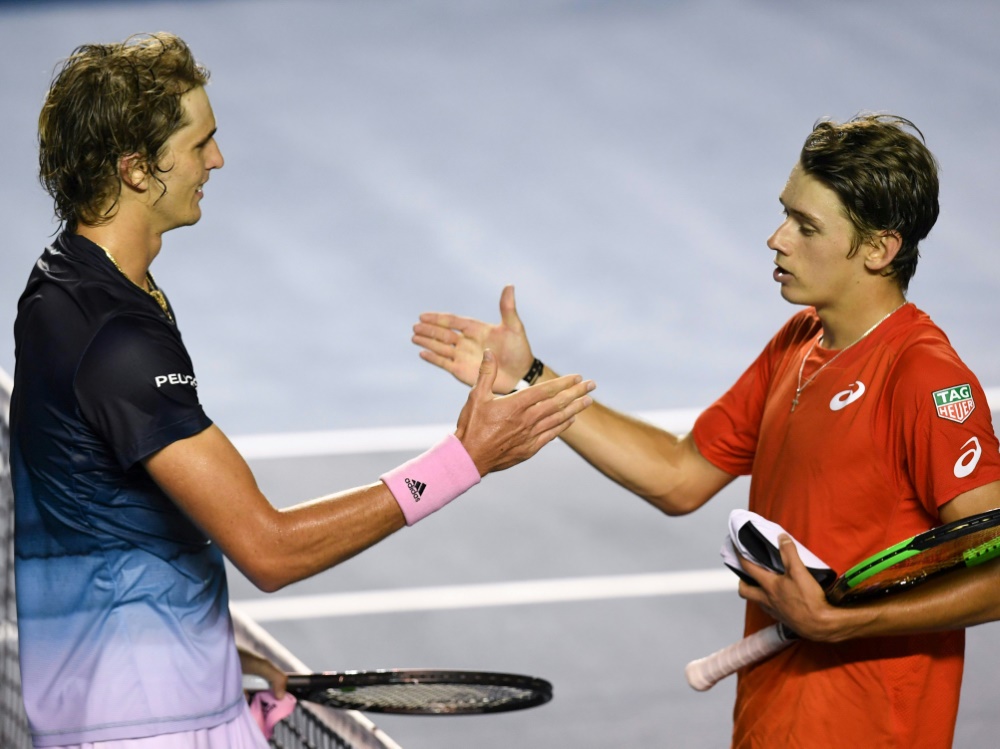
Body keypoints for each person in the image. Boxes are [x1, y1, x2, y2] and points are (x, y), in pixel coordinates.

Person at [10, 32, 595, 749]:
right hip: (143, 724)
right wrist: (462, 458)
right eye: (200, 145)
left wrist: (202, 653)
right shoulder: (117, 339)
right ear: (136, 169)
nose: (217, 160)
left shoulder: (61, 281)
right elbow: (268, 548)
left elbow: (102, 507)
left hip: (133, 692)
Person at [411, 114, 1000, 747]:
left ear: (879, 250)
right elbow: (680, 475)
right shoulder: (799, 343)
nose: (777, 239)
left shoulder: (927, 380)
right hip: (769, 720)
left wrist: (846, 625)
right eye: (784, 214)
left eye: (806, 227)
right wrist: (529, 377)